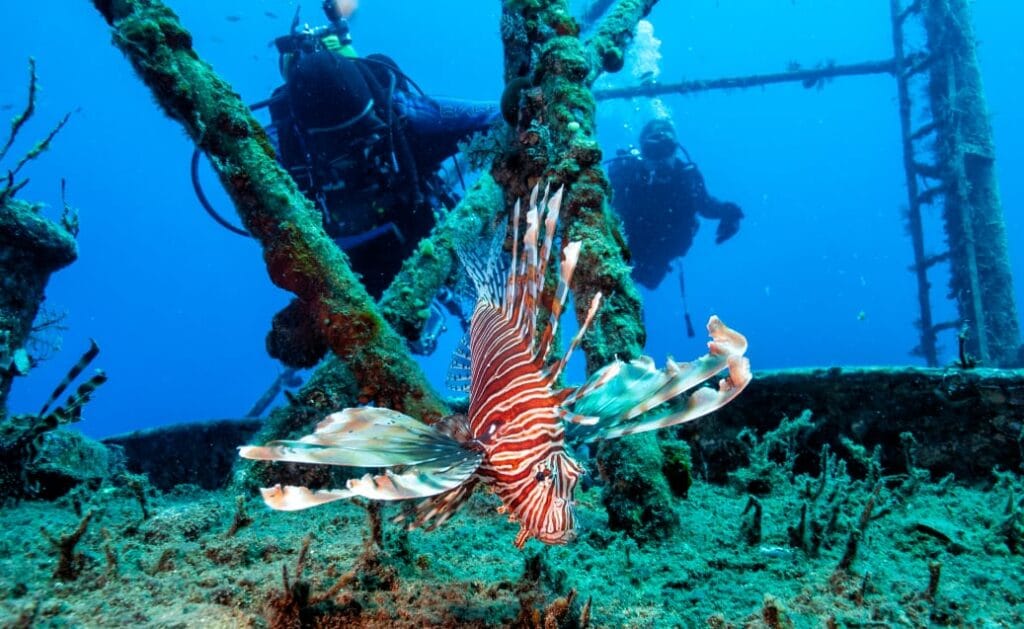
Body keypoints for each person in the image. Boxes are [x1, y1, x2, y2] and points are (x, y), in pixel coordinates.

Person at [266, 1, 498, 302]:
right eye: (338, 150)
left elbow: (499, 114)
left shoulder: (402, 113)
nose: (353, 159)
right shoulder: (283, 145)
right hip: (352, 280)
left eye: (362, 139)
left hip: (408, 242)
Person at [608, 118, 743, 291]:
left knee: (645, 282)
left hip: (661, 254)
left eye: (666, 149)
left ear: (675, 150)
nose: (660, 159)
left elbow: (707, 205)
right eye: (653, 150)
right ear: (642, 151)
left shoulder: (687, 177)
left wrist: (729, 213)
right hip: (625, 247)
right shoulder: (627, 174)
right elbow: (603, 204)